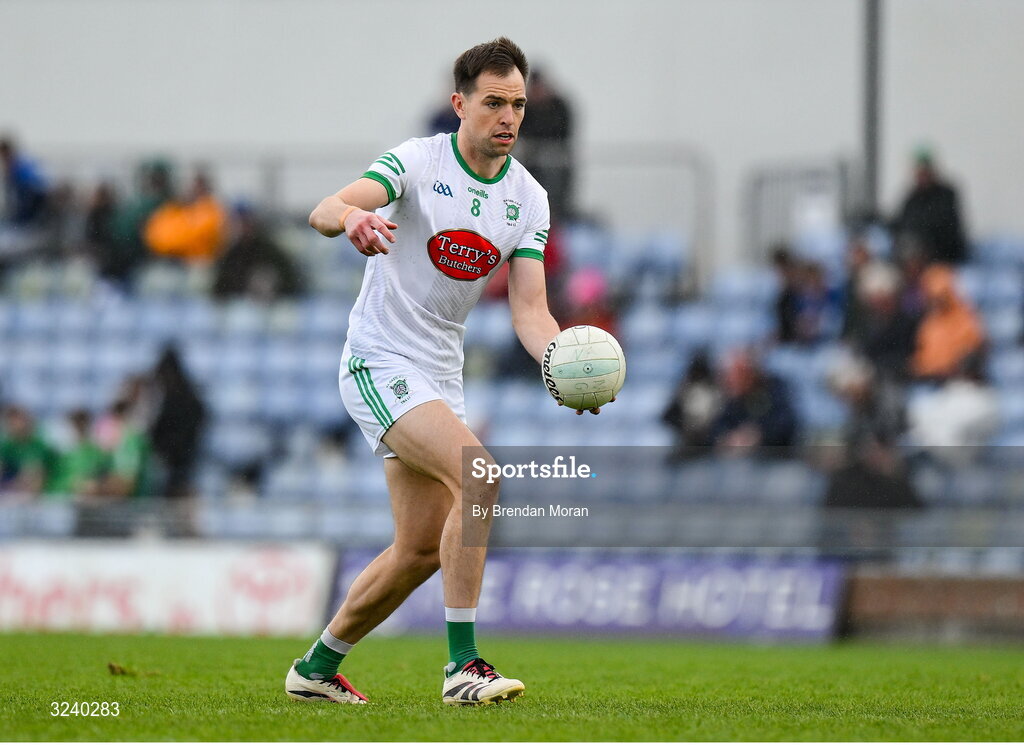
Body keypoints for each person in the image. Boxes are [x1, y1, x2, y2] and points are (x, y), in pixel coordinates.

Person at [289, 37, 609, 707]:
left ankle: (315, 668)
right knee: (482, 475)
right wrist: (353, 218)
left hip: (439, 373)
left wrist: (562, 362)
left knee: (418, 551)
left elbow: (530, 310)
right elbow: (325, 208)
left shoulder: (528, 198)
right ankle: (463, 667)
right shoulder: (416, 161)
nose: (509, 117)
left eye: (518, 104)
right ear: (459, 103)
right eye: (494, 102)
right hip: (378, 359)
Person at [212, 204, 305, 302]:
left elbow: (291, 280)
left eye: (246, 222)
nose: (244, 227)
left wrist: (275, 286)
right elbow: (220, 288)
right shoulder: (231, 254)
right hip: (239, 306)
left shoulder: (269, 250)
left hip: (271, 304)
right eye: (240, 222)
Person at [892, 147, 968, 265]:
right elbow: (899, 224)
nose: (922, 176)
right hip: (911, 261)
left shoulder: (946, 196)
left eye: (925, 171)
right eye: (919, 171)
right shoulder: (912, 198)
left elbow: (946, 232)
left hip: (943, 260)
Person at [912, 264, 985, 382]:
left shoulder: (966, 318)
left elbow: (971, 352)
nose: (937, 300)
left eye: (941, 296)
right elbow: (923, 357)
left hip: (958, 381)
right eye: (933, 296)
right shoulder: (928, 322)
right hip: (931, 379)